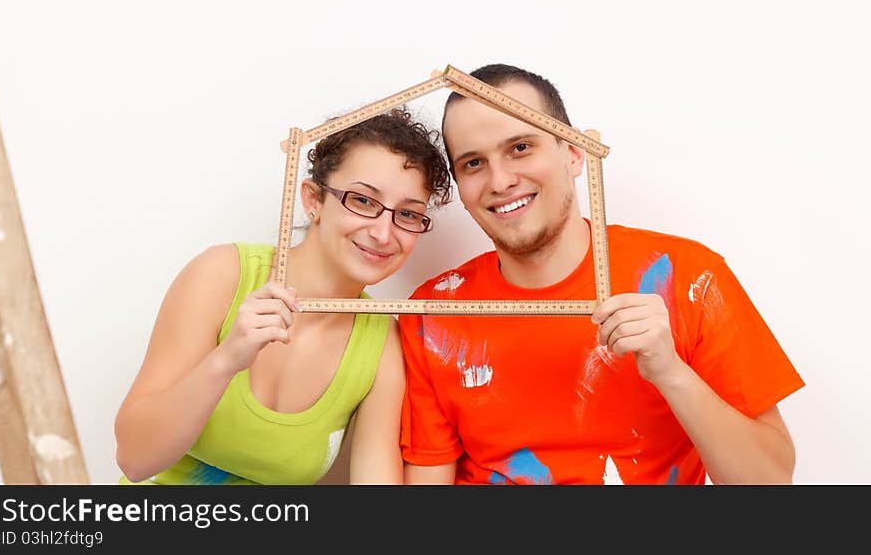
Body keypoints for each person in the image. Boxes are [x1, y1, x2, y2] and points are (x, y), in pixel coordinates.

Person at [399, 64, 805, 485]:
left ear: (574, 153)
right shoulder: (432, 315)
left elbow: (769, 482)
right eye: (473, 163)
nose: (500, 180)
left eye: (520, 147)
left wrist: (671, 372)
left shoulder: (689, 278)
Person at [115, 108, 451, 485]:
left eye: (407, 214)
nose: (383, 233)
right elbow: (134, 459)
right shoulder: (222, 275)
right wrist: (226, 360)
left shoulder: (382, 343)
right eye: (363, 201)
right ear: (313, 199)